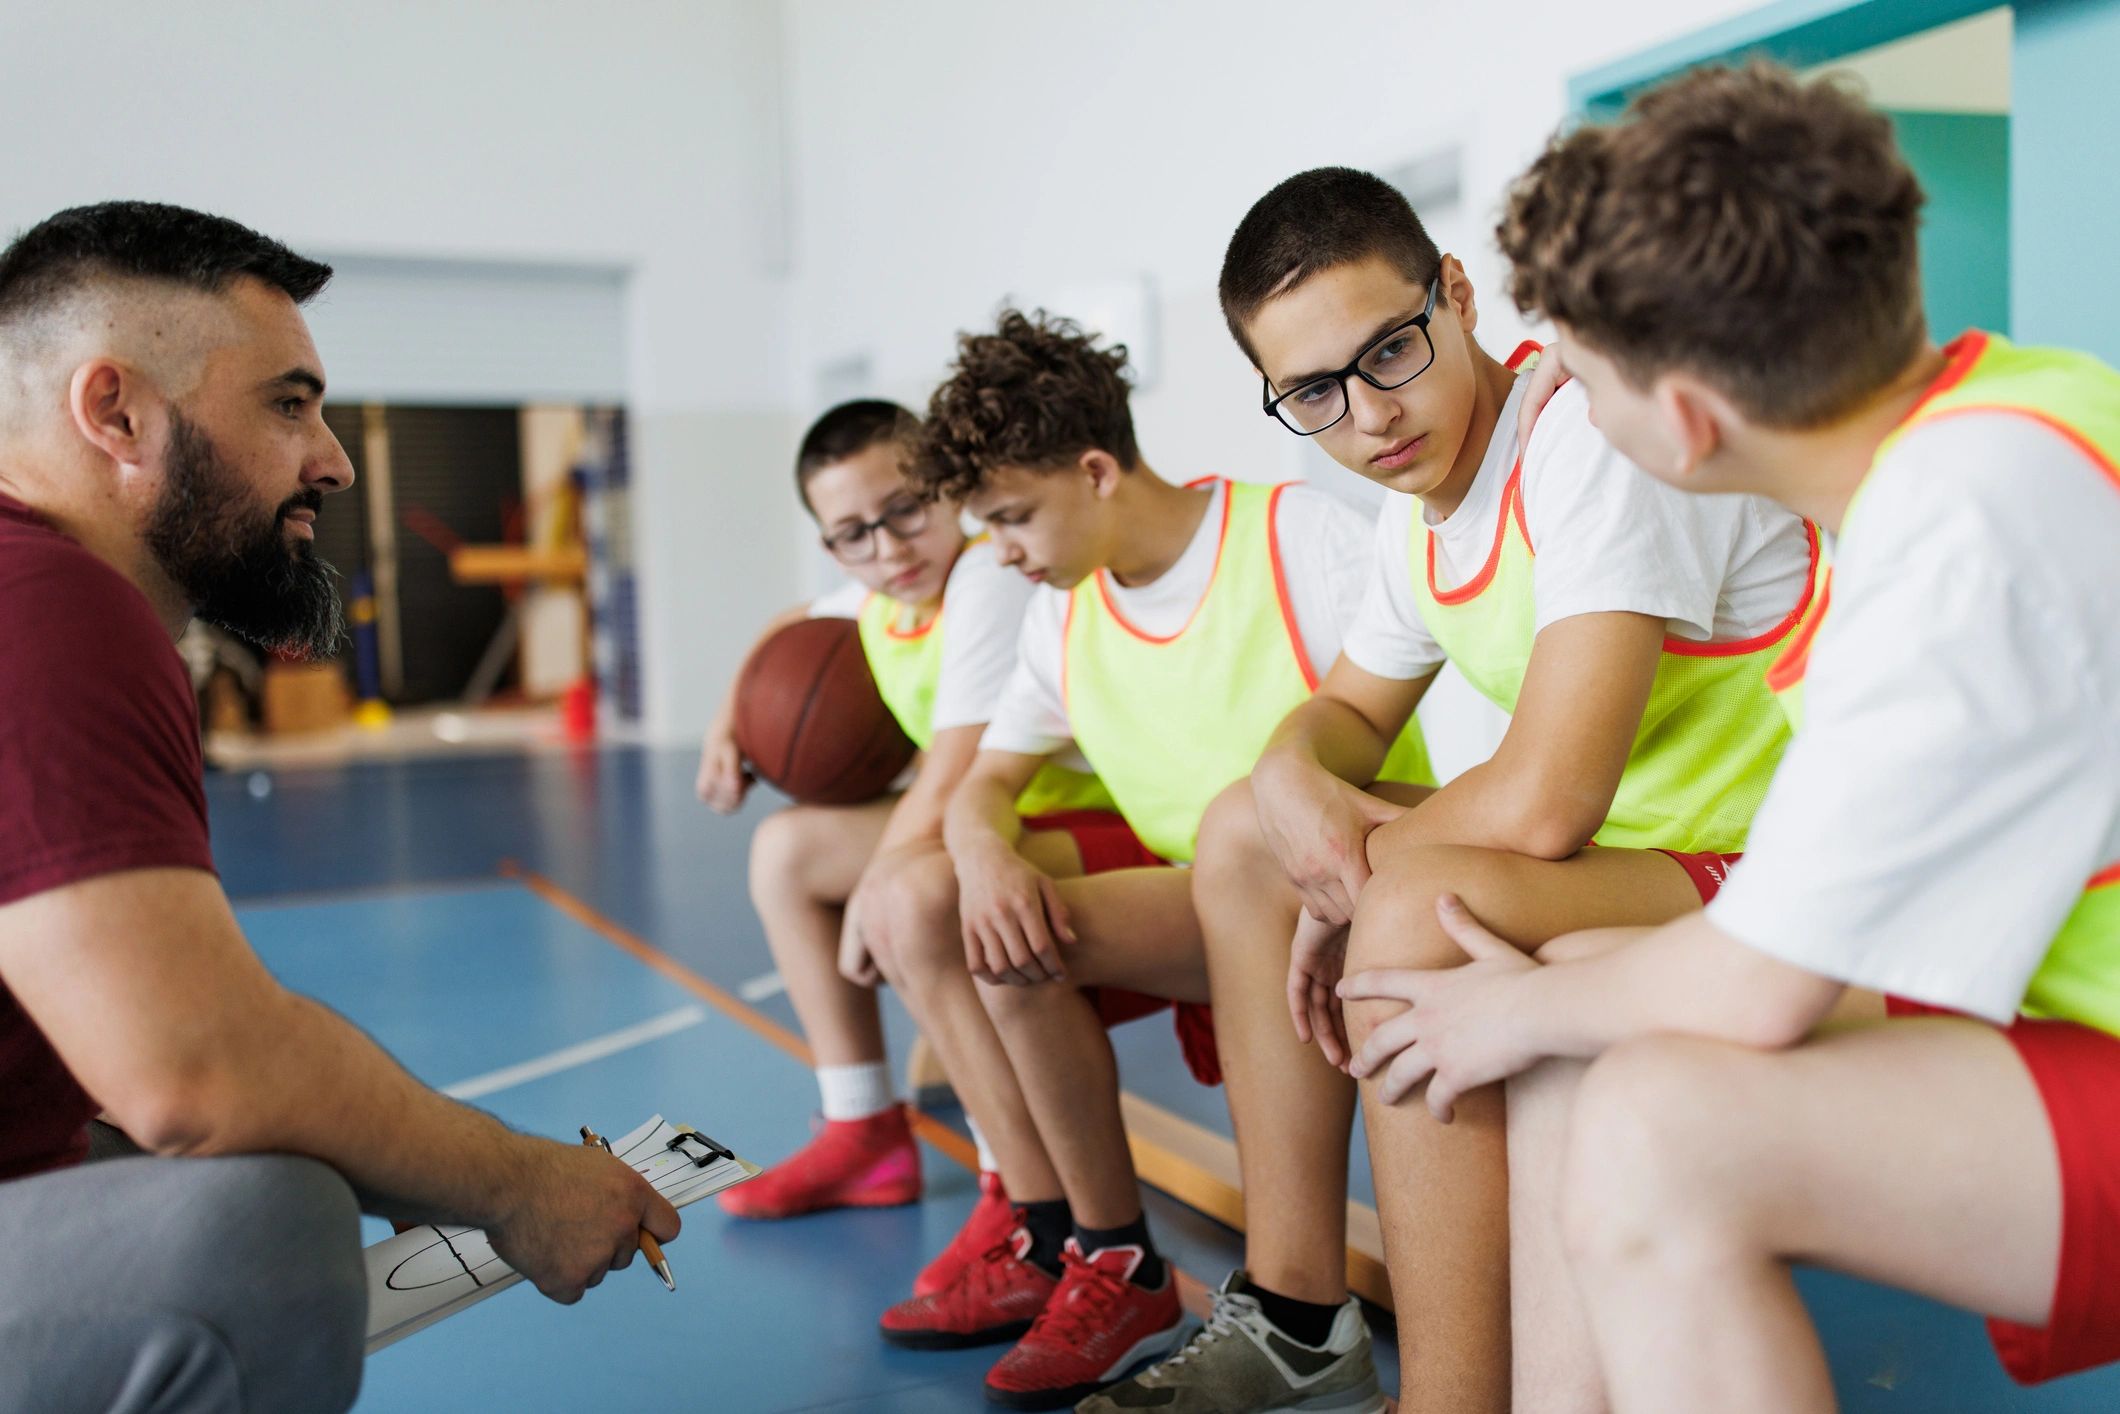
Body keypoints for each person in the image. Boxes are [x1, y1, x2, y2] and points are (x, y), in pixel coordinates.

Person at [1348, 61, 2120, 1411]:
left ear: (1687, 423)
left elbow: (1756, 989)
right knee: (1583, 997)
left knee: (1657, 1128)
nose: (1561, 399)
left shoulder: (1950, 537)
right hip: (2063, 987)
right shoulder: (2006, 414)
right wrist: (1544, 1002)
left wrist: (1510, 1009)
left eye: (1580, 380)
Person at [0, 201, 675, 1414]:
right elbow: (194, 1069)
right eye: (287, 404)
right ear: (117, 413)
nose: (334, 459)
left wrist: (405, 1160)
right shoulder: (46, 605)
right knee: (258, 1235)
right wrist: (517, 1183)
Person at [1181, 165, 1822, 1414]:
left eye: (1389, 350)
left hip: (1769, 866)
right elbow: (1345, 715)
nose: (1369, 414)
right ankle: (1296, 1316)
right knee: (1244, 833)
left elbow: (1543, 805)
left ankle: (1449, 1398)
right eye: (1312, 392)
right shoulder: (1412, 510)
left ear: (1456, 294)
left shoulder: (1582, 440)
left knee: (1408, 906)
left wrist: (1348, 881)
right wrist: (1285, 773)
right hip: (1635, 867)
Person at [888, 307, 1430, 1411]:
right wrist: (983, 851)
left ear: (1095, 471)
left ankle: (1297, 1317)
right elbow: (984, 782)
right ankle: (1112, 1259)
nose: (1003, 551)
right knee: (979, 917)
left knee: (1244, 828)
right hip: (1213, 893)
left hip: (1341, 883)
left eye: (1013, 517)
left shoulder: (1297, 537)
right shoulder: (1064, 613)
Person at [699, 398, 1116, 1317]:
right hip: (989, 823)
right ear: (830, 543)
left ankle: (1016, 1184)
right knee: (786, 851)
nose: (888, 548)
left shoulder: (987, 579)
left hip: (1088, 819)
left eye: (906, 510)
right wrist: (729, 720)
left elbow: (955, 773)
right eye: (853, 534)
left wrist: (875, 895)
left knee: (915, 898)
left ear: (947, 490)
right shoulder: (881, 595)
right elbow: (789, 620)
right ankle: (862, 1129)